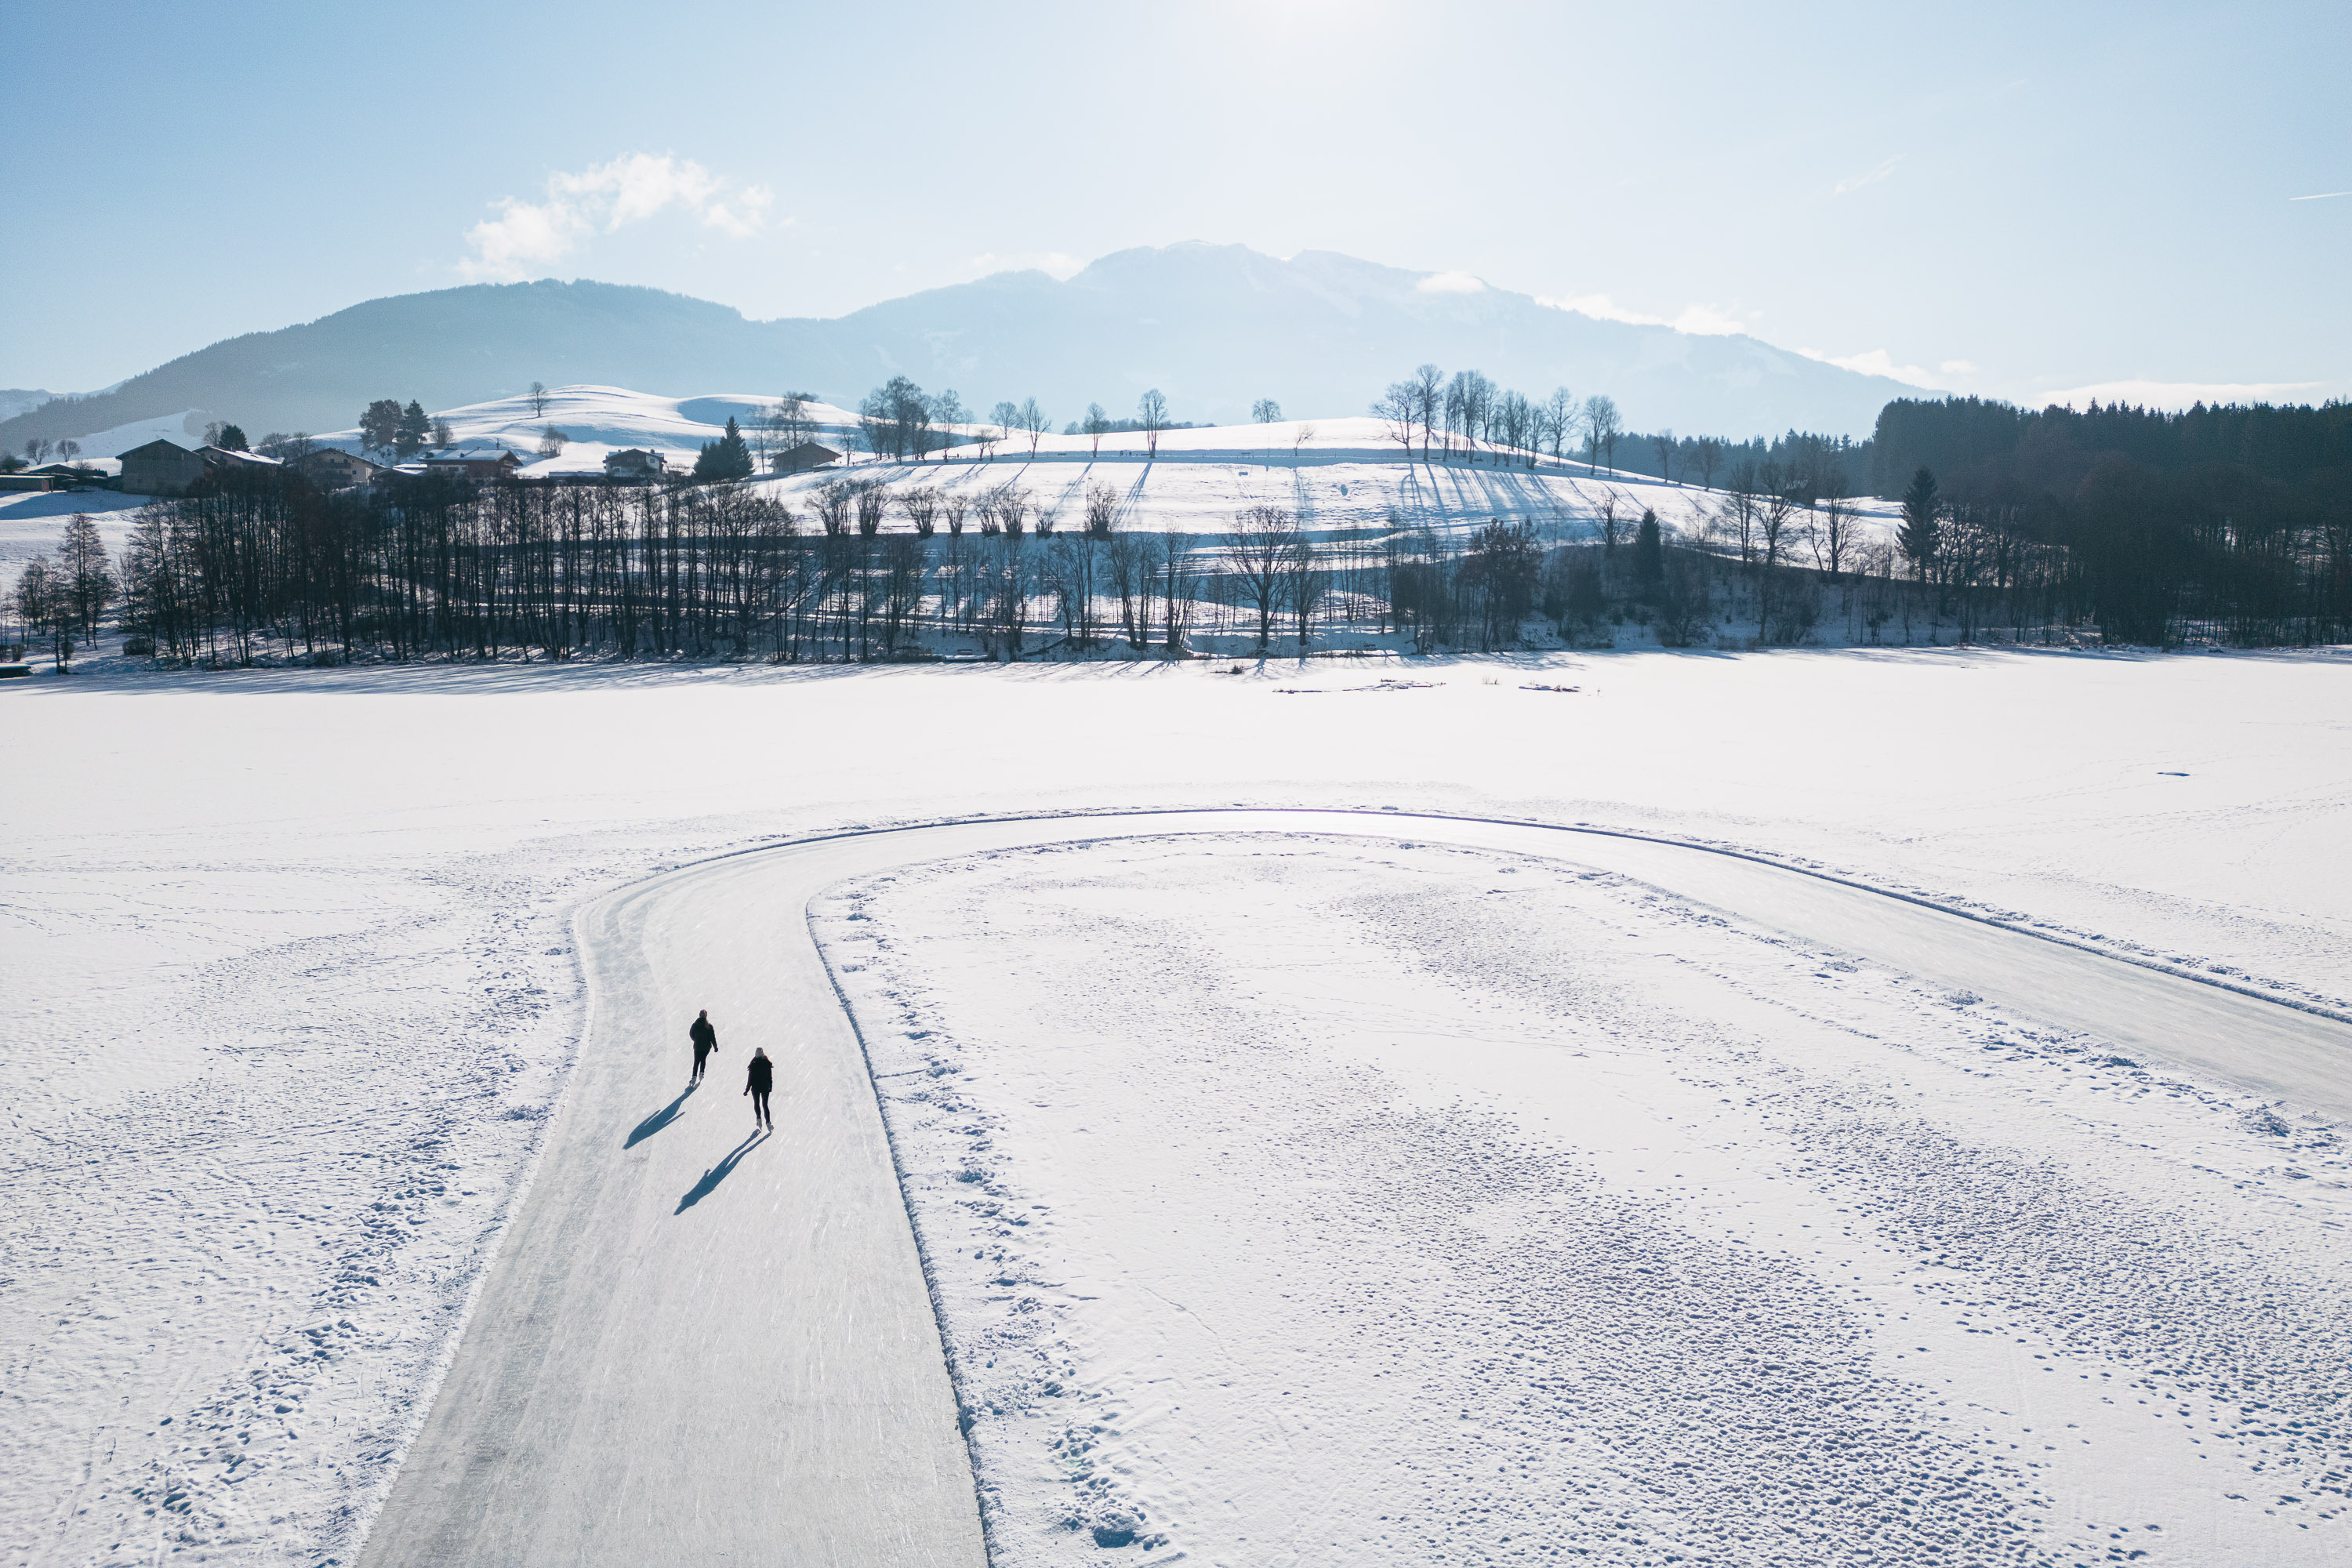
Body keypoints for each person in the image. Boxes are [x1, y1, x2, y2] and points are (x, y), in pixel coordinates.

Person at [745, 1047, 774, 1131]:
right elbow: (770, 1077)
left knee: (756, 1103)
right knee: (765, 1105)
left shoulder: (753, 1063)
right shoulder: (766, 1063)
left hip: (755, 1088)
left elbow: (750, 1079)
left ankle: (759, 1120)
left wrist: (747, 1090)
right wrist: (770, 1087)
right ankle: (768, 1122)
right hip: (765, 1087)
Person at [689, 1010, 717, 1084]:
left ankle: (694, 1076)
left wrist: (696, 1039)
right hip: (706, 1047)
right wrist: (715, 1046)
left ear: (699, 1015)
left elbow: (691, 1034)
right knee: (703, 1059)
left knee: (696, 1061)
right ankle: (701, 1073)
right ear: (706, 1016)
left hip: (697, 1046)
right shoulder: (709, 1026)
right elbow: (712, 1037)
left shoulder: (695, 1025)